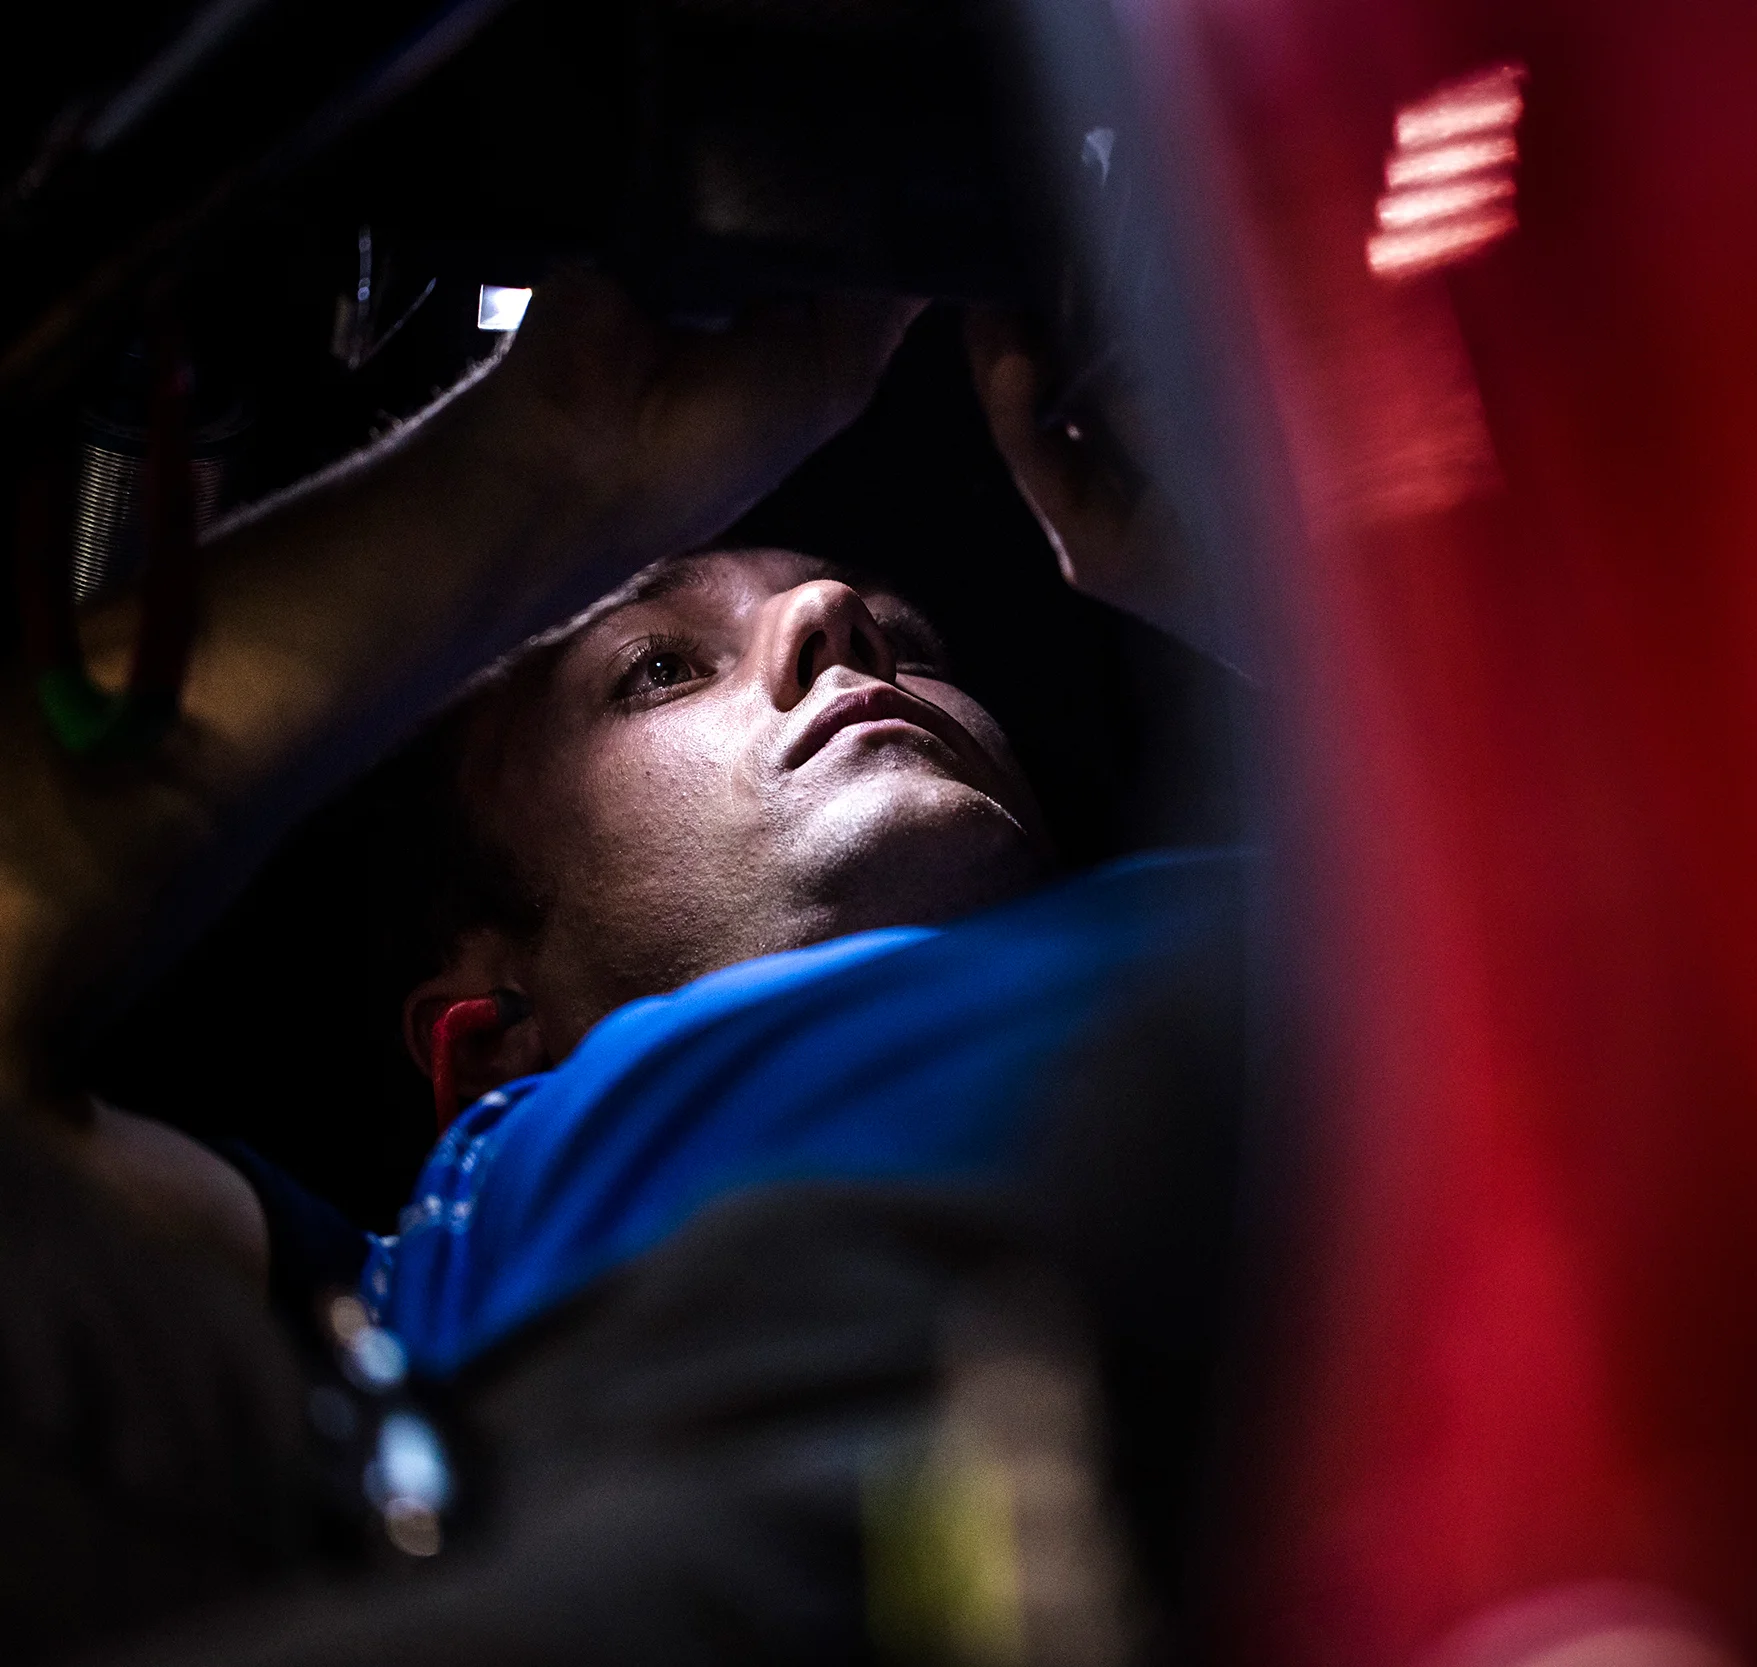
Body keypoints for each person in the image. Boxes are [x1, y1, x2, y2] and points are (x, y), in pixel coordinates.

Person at [0, 273, 1245, 1664]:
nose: (837, 612)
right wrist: (557, 456)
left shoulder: (1296, 891)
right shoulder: (397, 1289)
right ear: (489, 1040)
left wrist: (1266, 568)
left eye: (915, 641)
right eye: (659, 668)